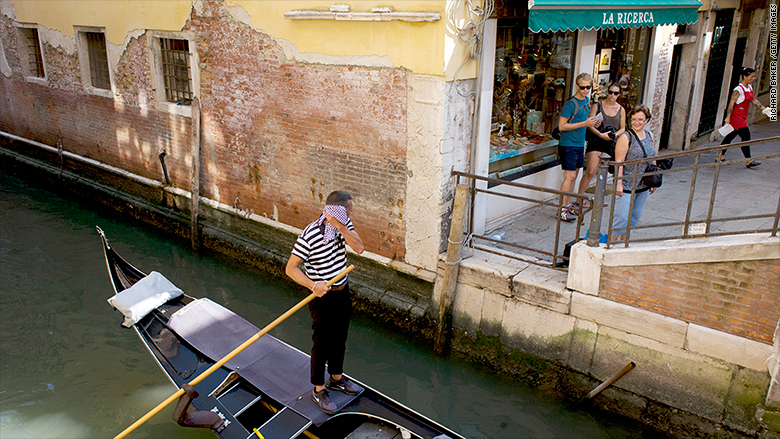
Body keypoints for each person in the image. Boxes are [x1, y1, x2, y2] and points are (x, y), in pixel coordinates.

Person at [285, 191, 365, 415]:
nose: (351, 213)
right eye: (348, 209)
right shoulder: (310, 235)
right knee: (322, 342)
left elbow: (359, 248)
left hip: (342, 290)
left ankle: (336, 378)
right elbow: (290, 268)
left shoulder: (344, 225)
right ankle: (318, 389)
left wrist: (340, 226)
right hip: (321, 296)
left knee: (340, 337)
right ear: (338, 210)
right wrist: (313, 285)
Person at [557, 73, 600, 221]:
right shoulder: (570, 104)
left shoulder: (587, 101)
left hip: (580, 143)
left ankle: (567, 206)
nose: (586, 90)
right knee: (570, 176)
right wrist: (585, 124)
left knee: (574, 176)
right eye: (583, 87)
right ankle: (562, 209)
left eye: (588, 87)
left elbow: (583, 120)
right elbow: (562, 125)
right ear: (577, 86)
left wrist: (592, 122)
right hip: (568, 143)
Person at [611, 105, 657, 242]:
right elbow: (619, 161)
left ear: (647, 120)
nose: (637, 122)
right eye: (634, 119)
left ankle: (625, 243)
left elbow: (652, 157)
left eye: (641, 120)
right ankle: (610, 244)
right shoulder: (626, 137)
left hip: (643, 183)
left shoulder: (650, 136)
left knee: (634, 216)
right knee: (621, 217)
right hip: (626, 183)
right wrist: (618, 182)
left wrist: (654, 179)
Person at [578, 82, 626, 206]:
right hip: (596, 140)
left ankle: (599, 197)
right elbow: (589, 123)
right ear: (607, 92)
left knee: (603, 172)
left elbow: (623, 128)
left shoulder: (621, 109)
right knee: (591, 171)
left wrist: (615, 135)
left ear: (619, 94)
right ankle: (579, 197)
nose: (612, 95)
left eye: (615, 93)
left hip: (610, 142)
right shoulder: (598, 105)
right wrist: (600, 134)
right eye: (610, 92)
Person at [717, 67, 767, 168]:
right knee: (746, 137)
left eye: (754, 77)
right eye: (751, 77)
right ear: (745, 76)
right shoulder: (738, 89)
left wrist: (764, 109)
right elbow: (731, 104)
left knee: (730, 136)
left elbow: (753, 100)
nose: (753, 79)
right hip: (737, 117)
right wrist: (728, 117)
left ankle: (720, 156)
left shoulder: (749, 87)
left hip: (743, 116)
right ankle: (749, 160)